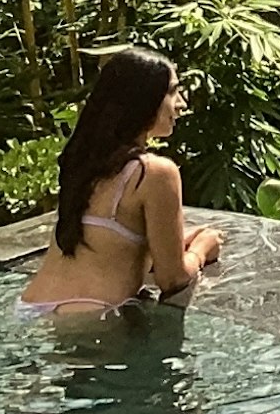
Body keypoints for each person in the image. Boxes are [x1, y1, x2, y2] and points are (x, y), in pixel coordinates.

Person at [20, 45, 225, 317]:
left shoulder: (85, 165)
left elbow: (111, 250)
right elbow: (173, 279)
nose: (181, 103)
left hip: (29, 309)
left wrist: (180, 242)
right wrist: (202, 248)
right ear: (146, 100)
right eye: (173, 91)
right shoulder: (154, 172)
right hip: (91, 320)